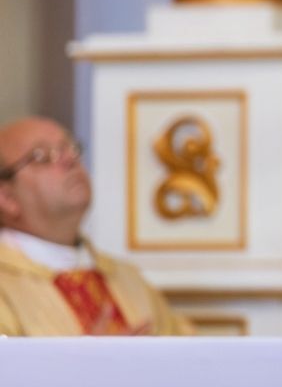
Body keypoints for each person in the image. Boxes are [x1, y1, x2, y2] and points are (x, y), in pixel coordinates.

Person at [0, 116, 192, 336]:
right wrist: (88, 355)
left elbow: (190, 352)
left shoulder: (127, 279)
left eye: (70, 148)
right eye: (42, 157)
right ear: (6, 197)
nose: (70, 159)